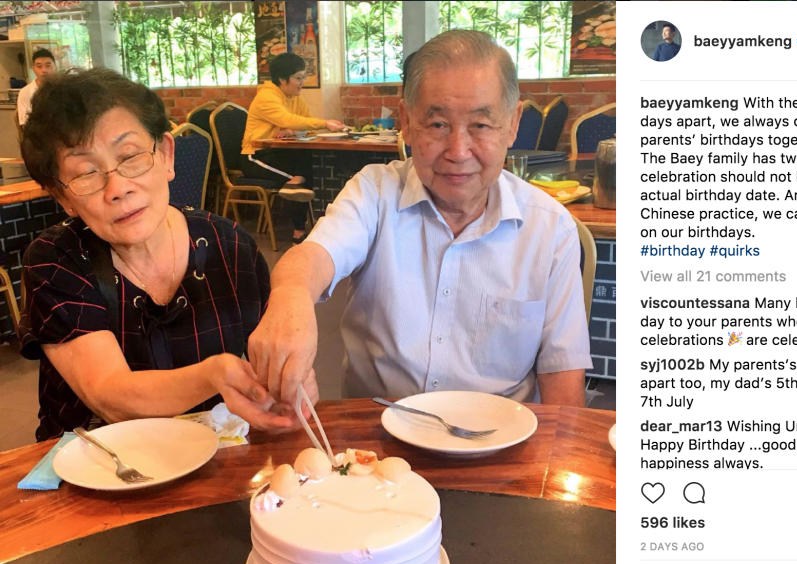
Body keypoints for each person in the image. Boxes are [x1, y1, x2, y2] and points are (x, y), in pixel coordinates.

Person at [248, 30, 592, 408]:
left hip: (499, 443)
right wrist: (290, 298)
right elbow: (312, 257)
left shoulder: (550, 228)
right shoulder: (375, 193)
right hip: (377, 445)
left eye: (480, 125)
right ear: (407, 122)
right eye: (437, 125)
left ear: (512, 124)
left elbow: (562, 376)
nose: (458, 151)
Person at [17, 68, 317, 441]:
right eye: (86, 173)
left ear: (167, 155)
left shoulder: (230, 246)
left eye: (130, 156)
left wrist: (290, 379)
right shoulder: (55, 259)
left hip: (214, 460)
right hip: (98, 470)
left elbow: (270, 358)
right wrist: (213, 375)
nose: (118, 188)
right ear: (63, 197)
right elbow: (109, 394)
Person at [241, 52, 346, 243]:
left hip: (277, 152)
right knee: (298, 179)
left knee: (310, 164)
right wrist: (324, 123)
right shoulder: (266, 97)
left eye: (303, 77)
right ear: (282, 79)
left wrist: (293, 129)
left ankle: (303, 227)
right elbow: (289, 119)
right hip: (255, 156)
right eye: (298, 78)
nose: (302, 82)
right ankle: (299, 231)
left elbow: (301, 123)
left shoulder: (294, 96)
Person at [17, 48, 57, 126]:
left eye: (48, 65)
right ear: (33, 69)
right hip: (37, 134)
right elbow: (24, 123)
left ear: (55, 66)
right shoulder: (25, 92)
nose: (44, 70)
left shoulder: (63, 88)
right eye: (39, 66)